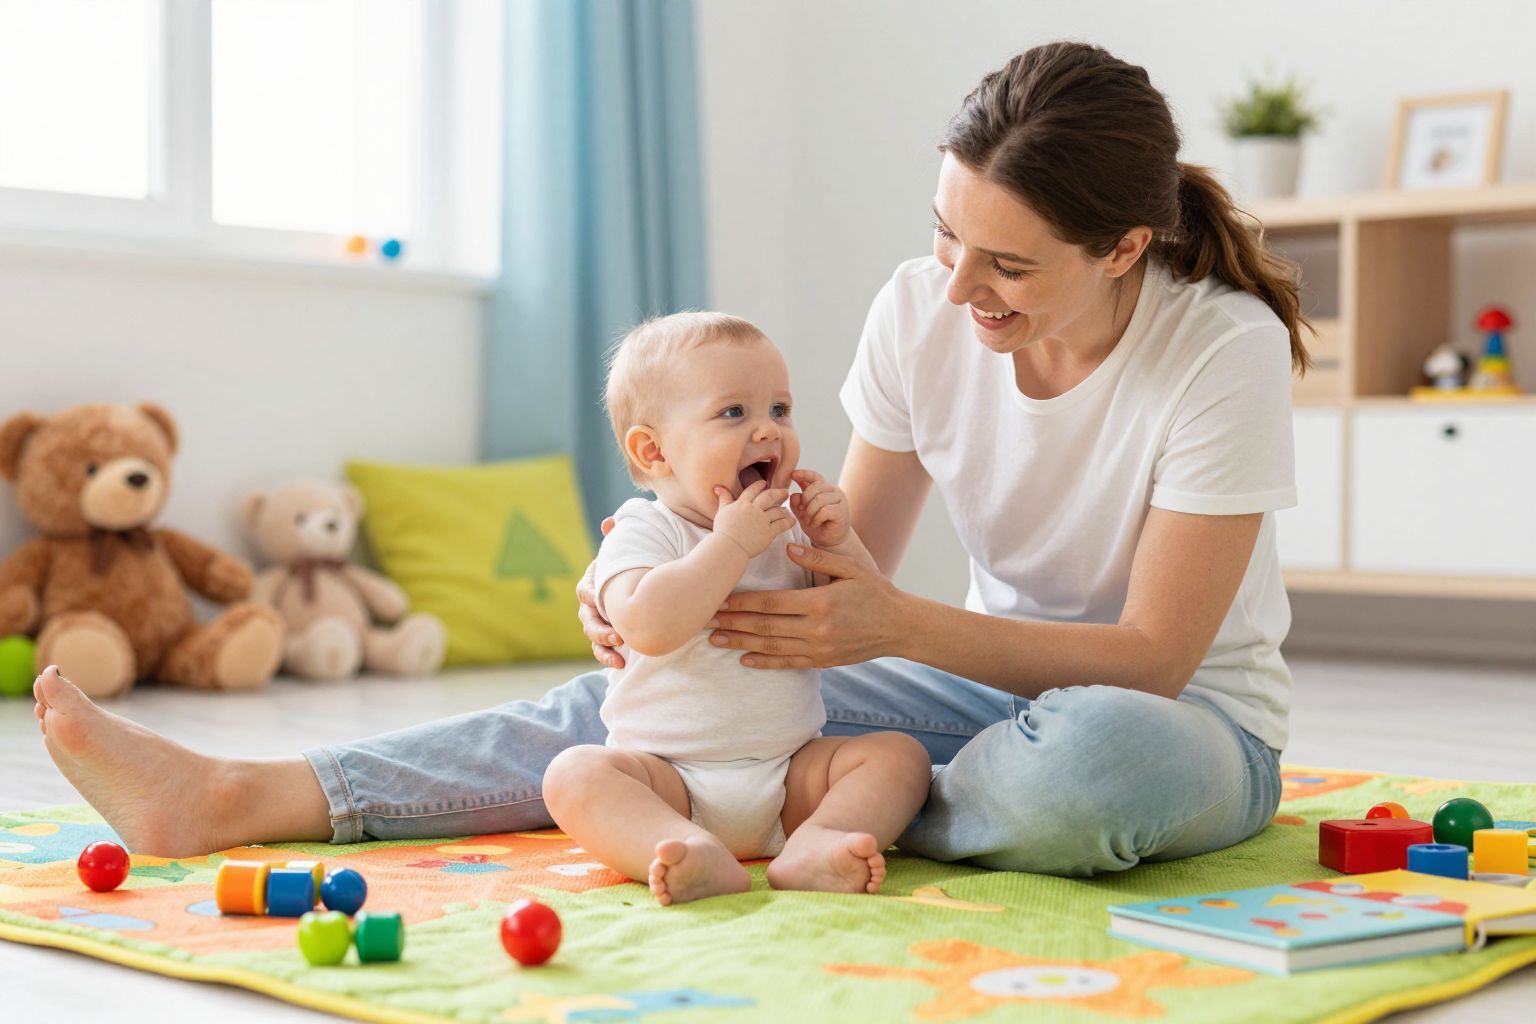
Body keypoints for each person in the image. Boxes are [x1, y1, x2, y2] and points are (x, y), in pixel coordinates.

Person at [32, 40, 1306, 876]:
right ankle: (243, 798)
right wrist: (671, 597)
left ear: (1125, 249)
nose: (955, 285)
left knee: (1081, 778)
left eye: (1008, 266)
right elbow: (817, 578)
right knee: (667, 700)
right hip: (980, 695)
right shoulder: (921, 311)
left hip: (1180, 724)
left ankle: (782, 808)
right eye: (946, 237)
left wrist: (890, 622)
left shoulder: (1221, 348)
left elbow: (1156, 658)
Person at [542, 312, 930, 906]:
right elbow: (648, 625)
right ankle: (679, 847)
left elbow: (862, 607)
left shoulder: (785, 528)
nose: (769, 432)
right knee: (574, 774)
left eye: (779, 410)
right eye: (734, 413)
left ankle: (817, 842)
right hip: (667, 776)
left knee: (900, 757)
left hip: (791, 771)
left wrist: (836, 540)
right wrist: (730, 545)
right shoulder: (644, 530)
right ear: (654, 450)